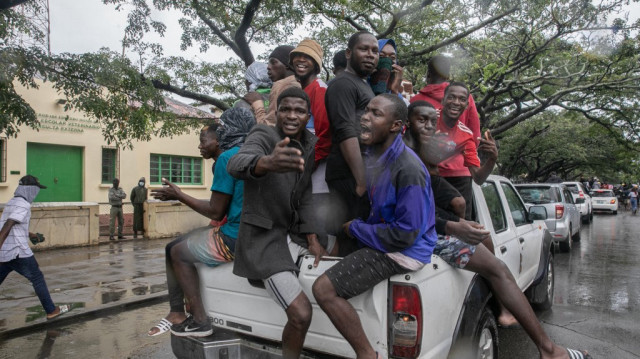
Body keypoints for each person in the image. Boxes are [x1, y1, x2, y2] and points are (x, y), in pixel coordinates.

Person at [402, 100, 593, 359]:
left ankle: (534, 336)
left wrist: (486, 157)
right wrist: (453, 226)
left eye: (432, 122)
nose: (429, 127)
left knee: (490, 251)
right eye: (420, 120)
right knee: (499, 269)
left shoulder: (422, 157)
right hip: (419, 234)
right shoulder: (402, 157)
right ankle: (549, 351)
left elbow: (462, 184)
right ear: (404, 125)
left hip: (431, 227)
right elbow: (409, 214)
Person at [313, 94, 437, 359]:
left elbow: (404, 234)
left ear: (395, 126)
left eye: (376, 114)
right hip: (387, 237)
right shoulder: (375, 154)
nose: (365, 117)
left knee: (323, 289)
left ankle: (368, 354)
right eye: (366, 111)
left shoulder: (408, 168)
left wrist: (355, 228)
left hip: (403, 250)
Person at [227, 87, 329, 359]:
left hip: (292, 235)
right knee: (301, 314)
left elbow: (305, 193)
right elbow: (236, 163)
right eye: (286, 109)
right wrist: (266, 163)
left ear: (308, 115)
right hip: (263, 240)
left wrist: (312, 238)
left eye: (299, 110)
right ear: (276, 112)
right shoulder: (263, 135)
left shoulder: (309, 142)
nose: (292, 115)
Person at [148, 108, 256, 337]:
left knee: (176, 252)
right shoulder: (258, 152)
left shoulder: (228, 158)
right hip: (257, 233)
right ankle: (180, 311)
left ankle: (198, 320)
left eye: (225, 126)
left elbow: (216, 212)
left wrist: (179, 195)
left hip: (236, 236)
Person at [325, 31, 378, 255]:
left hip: (359, 173)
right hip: (348, 175)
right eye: (364, 49)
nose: (370, 55)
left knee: (359, 237)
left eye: (374, 51)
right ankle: (338, 288)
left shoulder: (362, 84)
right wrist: (361, 179)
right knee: (351, 238)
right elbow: (346, 130)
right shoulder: (343, 84)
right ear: (348, 53)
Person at [0, 175, 71, 320]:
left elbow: (14, 226)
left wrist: (31, 234)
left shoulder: (12, 202)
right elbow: (7, 227)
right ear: (29, 189)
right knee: (37, 277)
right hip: (18, 251)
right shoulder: (23, 204)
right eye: (36, 189)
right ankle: (51, 310)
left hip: (6, 251)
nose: (36, 193)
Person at [289, 39, 333, 245]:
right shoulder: (300, 91)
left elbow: (325, 133)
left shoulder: (319, 89)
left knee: (316, 222)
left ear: (316, 64)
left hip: (317, 171)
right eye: (297, 56)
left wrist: (310, 163)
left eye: (307, 57)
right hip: (302, 165)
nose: (300, 60)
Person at [244, 45, 301, 125]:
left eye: (273, 62)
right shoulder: (298, 84)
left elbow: (270, 126)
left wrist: (257, 104)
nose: (268, 67)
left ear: (287, 64)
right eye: (268, 64)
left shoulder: (282, 85)